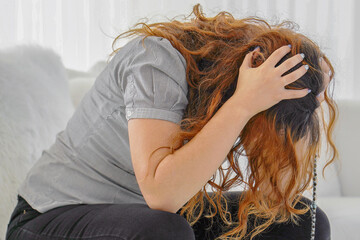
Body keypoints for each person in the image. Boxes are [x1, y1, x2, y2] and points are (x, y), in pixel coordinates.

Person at [6, 4, 337, 240]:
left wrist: (307, 93)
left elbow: (274, 190)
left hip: (149, 220)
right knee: (164, 231)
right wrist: (243, 105)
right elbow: (161, 196)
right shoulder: (157, 61)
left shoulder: (236, 87)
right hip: (50, 219)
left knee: (302, 219)